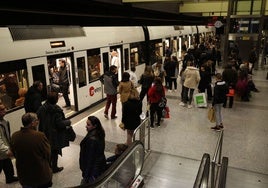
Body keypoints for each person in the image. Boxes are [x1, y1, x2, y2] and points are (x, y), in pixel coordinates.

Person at [10, 112, 52, 188]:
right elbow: (47, 154)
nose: (38, 122)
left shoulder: (14, 136)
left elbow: (13, 153)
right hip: (40, 175)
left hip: (24, 175)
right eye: (37, 120)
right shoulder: (40, 136)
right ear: (32, 123)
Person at [37, 92, 71, 173]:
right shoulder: (57, 110)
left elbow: (37, 117)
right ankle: (54, 168)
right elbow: (59, 124)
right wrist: (68, 122)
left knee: (46, 150)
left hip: (44, 132)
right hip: (54, 134)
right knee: (54, 151)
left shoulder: (42, 108)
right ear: (56, 100)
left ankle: (48, 166)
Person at [79, 116, 106, 184]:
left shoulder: (92, 140)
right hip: (99, 166)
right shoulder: (99, 133)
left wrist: (86, 175)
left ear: (95, 126)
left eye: (88, 125)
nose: (86, 126)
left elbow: (90, 159)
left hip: (93, 170)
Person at [0, 103, 18, 184]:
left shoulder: (5, 122)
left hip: (5, 149)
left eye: (4, 109)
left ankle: (10, 178)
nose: (5, 111)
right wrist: (7, 150)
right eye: (2, 110)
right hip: (2, 150)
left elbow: (7, 136)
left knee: (8, 164)